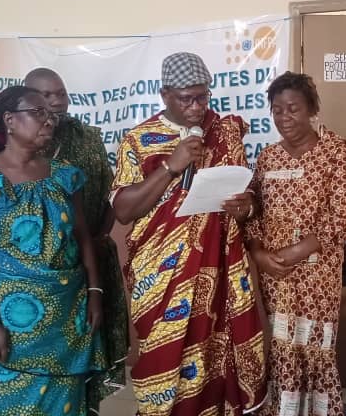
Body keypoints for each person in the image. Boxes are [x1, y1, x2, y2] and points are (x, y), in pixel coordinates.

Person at [111, 52, 267, 415]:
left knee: (216, 357)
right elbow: (123, 210)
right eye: (186, 99)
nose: (197, 107)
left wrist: (246, 207)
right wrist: (171, 165)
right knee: (163, 359)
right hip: (160, 276)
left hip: (220, 269)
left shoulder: (225, 132)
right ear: (165, 95)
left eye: (202, 97)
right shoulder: (138, 140)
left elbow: (249, 196)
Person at [0, 85, 108, 415]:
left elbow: (83, 238)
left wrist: (95, 293)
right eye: (38, 113)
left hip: (67, 320)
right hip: (11, 325)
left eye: (51, 115)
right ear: (9, 120)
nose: (49, 120)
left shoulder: (64, 176)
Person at [245, 72, 346, 416]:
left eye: (293, 109)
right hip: (276, 275)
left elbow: (345, 216)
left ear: (312, 109)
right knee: (283, 346)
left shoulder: (335, 152)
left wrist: (295, 252)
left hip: (318, 273)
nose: (284, 117)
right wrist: (259, 254)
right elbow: (254, 212)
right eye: (277, 110)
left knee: (315, 346)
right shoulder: (267, 158)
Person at [25, 68, 129, 404]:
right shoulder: (15, 146)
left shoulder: (87, 138)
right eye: (47, 95)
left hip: (91, 258)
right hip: (43, 273)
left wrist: (100, 235)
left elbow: (111, 189)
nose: (57, 102)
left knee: (92, 343)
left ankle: (86, 407)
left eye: (61, 94)